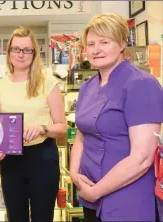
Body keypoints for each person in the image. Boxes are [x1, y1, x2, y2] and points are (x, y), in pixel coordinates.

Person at [69, 13, 163, 221]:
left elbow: (142, 158)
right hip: (90, 195)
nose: (96, 49)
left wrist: (96, 191)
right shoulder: (88, 87)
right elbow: (81, 136)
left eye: (104, 42)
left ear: (122, 43)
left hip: (128, 197)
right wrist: (75, 176)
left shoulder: (141, 85)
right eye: (91, 43)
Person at [0, 27, 67, 221]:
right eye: (16, 49)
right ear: (8, 52)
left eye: (27, 50)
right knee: (16, 216)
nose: (21, 54)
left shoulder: (48, 82)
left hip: (42, 158)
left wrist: (43, 128)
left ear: (34, 53)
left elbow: (61, 126)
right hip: (11, 161)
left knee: (43, 216)